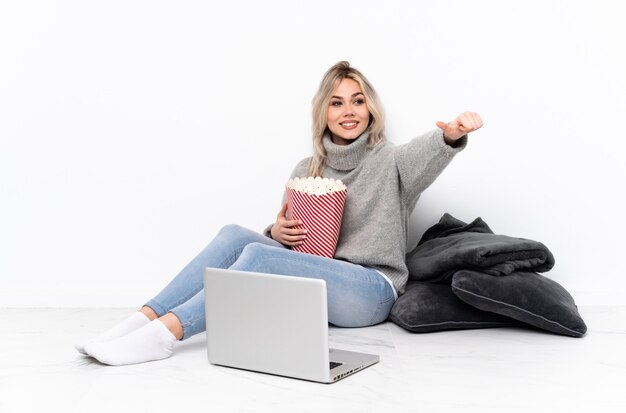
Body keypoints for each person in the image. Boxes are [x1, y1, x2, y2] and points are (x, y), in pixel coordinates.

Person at [75, 61, 483, 366]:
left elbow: (429, 153)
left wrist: (451, 133)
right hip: (315, 285)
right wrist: (278, 231)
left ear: (371, 109)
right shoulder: (306, 170)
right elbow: (292, 244)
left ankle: (165, 335)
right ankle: (140, 319)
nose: (349, 110)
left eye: (358, 101)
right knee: (235, 235)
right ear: (323, 112)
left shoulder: (392, 161)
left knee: (259, 258)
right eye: (337, 102)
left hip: (370, 290)